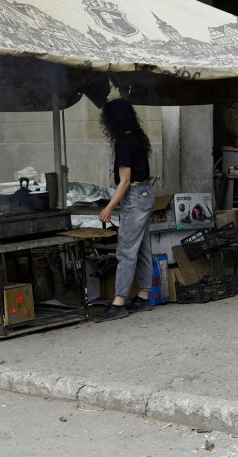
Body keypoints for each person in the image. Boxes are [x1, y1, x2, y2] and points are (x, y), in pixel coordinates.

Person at [94, 98, 155, 323]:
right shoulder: (139, 139)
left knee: (126, 251)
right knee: (142, 250)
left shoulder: (123, 143)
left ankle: (118, 302)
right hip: (146, 195)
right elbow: (144, 174)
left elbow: (125, 181)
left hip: (134, 198)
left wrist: (109, 207)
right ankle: (142, 296)